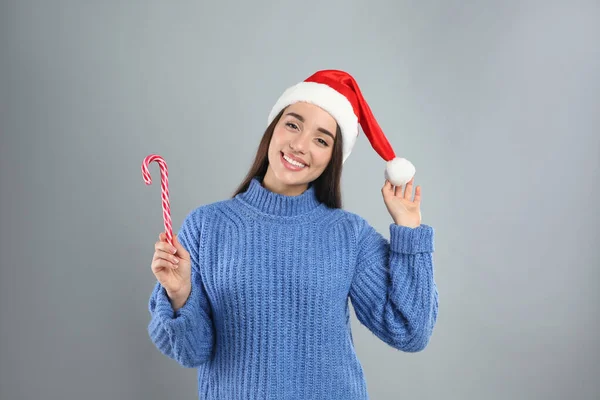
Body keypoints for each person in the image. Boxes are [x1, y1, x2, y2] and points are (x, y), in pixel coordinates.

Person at [147, 69, 438, 400]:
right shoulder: (207, 226)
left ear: (332, 158)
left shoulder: (349, 235)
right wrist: (179, 293)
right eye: (293, 124)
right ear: (273, 129)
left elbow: (410, 331)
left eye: (321, 140)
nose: (300, 145)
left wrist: (409, 231)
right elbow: (190, 351)